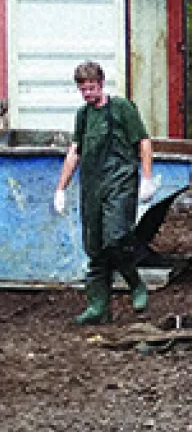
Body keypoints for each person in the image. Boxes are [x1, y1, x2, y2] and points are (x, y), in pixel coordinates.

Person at [52, 61, 158, 325]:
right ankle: (99, 307)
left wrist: (146, 178)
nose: (88, 94)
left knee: (115, 237)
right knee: (95, 247)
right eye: (83, 90)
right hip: (92, 186)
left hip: (120, 182)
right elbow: (75, 151)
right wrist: (60, 188)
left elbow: (143, 142)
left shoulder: (121, 108)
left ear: (101, 84)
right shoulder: (83, 116)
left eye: (91, 88)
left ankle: (136, 284)